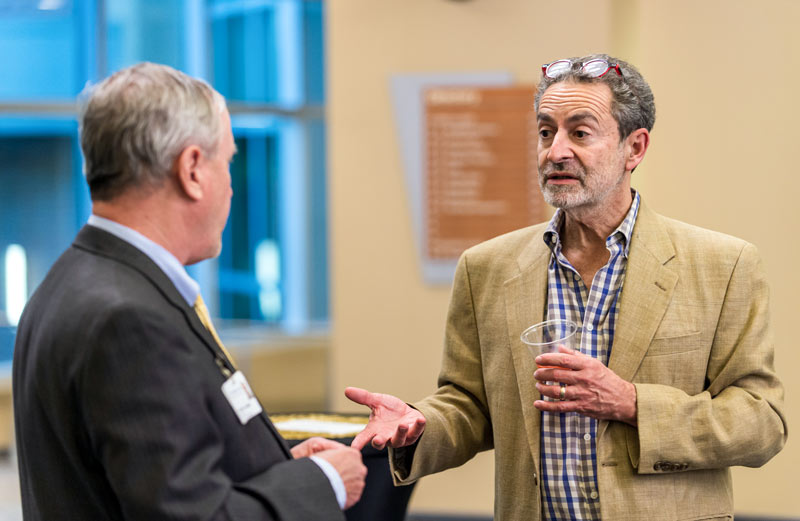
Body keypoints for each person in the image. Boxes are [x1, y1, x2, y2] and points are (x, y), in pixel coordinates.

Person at [346, 54, 788, 520]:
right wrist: (421, 426)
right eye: (544, 131)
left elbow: (761, 421)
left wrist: (633, 403)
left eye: (579, 133)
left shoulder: (725, 264)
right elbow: (470, 404)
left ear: (634, 149)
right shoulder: (486, 268)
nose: (555, 151)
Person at [12, 62, 366, 521]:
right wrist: (323, 483)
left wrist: (281, 471)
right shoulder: (129, 319)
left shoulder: (69, 282)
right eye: (228, 161)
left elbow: (155, 478)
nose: (233, 186)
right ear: (193, 169)